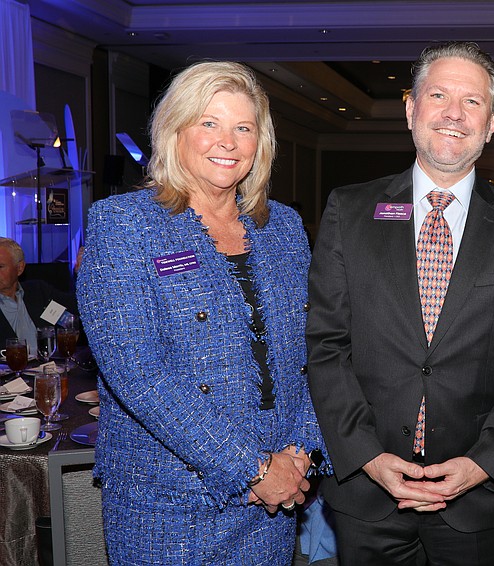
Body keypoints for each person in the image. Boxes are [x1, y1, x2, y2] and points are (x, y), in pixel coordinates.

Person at [306, 41, 494, 566]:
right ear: (410, 109)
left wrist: (482, 464)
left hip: (479, 501)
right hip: (366, 494)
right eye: (438, 94)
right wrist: (368, 458)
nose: (453, 113)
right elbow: (326, 347)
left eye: (472, 102)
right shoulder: (349, 211)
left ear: (491, 124)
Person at [76, 61, 329, 565]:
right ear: (174, 132)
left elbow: (316, 348)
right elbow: (141, 375)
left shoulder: (283, 227)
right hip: (167, 503)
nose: (227, 141)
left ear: (261, 141)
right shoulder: (123, 224)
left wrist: (301, 453)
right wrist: (255, 470)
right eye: (208, 123)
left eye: (243, 127)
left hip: (273, 503)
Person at [0, 237, 78, 357]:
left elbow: (77, 308)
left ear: (20, 268)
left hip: (49, 369)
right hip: (10, 373)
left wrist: (82, 275)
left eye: (0, 267)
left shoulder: (39, 292)